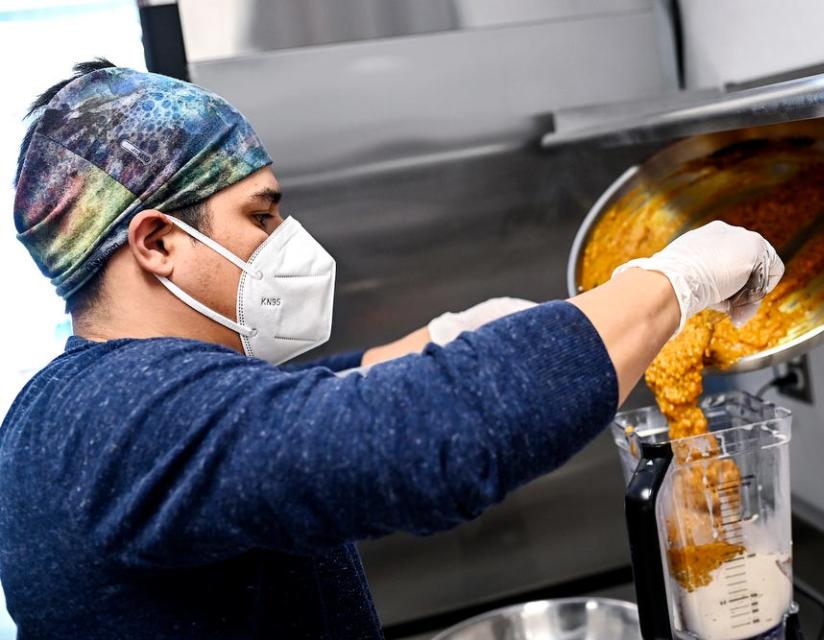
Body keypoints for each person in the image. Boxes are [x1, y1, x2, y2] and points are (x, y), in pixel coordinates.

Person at [1, 60, 783, 639]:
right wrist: (673, 279)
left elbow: (284, 418)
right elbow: (436, 437)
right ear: (159, 242)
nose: (285, 242)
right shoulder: (122, 416)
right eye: (261, 215)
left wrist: (440, 340)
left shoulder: (80, 405)